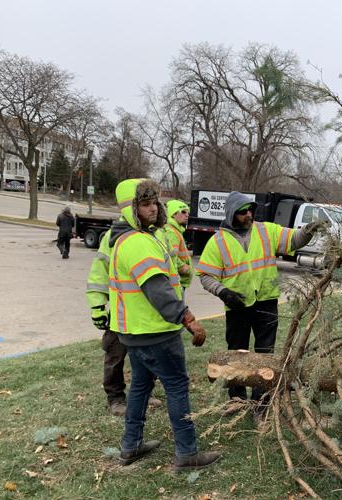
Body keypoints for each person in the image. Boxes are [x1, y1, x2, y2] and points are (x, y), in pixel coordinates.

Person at [108, 178, 221, 470]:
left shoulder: (135, 237)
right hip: (157, 332)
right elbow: (158, 291)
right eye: (144, 204)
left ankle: (130, 446)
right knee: (177, 387)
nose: (153, 209)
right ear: (129, 209)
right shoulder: (137, 243)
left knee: (140, 389)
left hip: (137, 334)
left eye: (155, 202)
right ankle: (187, 453)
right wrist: (189, 319)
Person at [195, 191, 326, 423]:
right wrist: (223, 292)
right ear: (231, 214)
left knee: (265, 354)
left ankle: (261, 402)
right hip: (236, 305)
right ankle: (236, 399)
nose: (248, 215)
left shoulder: (266, 230)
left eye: (250, 210)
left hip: (266, 302)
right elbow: (206, 275)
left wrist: (307, 231)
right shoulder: (218, 242)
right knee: (237, 353)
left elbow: (293, 239)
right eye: (242, 212)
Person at [85, 223, 162, 416]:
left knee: (148, 355)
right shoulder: (114, 235)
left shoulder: (155, 233)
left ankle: (146, 391)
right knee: (115, 356)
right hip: (120, 312)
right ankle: (116, 398)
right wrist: (97, 307)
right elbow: (99, 272)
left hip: (146, 312)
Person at [165, 200, 193, 290]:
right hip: (177, 281)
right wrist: (185, 268)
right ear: (173, 214)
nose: (187, 215)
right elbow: (172, 257)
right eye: (183, 212)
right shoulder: (171, 232)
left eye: (188, 212)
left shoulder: (176, 230)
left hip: (179, 280)